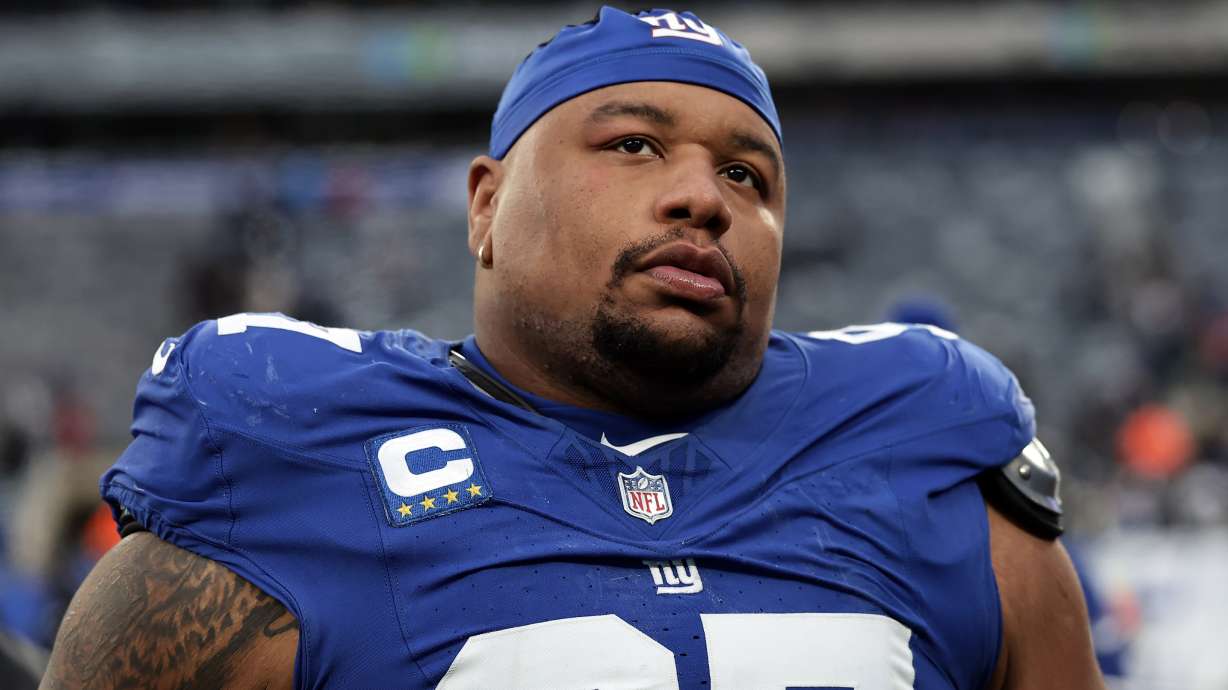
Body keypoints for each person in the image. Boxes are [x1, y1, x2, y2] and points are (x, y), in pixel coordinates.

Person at [42, 7, 1104, 689]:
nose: (702, 193)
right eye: (633, 144)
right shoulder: (281, 460)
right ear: (486, 207)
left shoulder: (930, 452)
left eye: (749, 175)